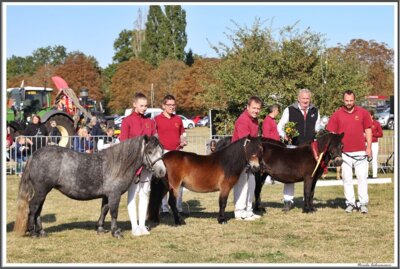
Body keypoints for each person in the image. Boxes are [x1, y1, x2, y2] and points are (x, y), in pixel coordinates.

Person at [326, 90, 372, 214]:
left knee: (362, 178)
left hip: (361, 152)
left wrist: (369, 148)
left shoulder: (363, 113)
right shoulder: (337, 114)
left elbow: (368, 130)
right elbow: (332, 134)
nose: (349, 103)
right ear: (343, 100)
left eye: (351, 100)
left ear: (354, 100)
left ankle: (363, 204)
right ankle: (350, 203)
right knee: (347, 179)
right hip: (344, 154)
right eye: (346, 100)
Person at [277, 89, 321, 211]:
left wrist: (318, 131)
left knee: (310, 176)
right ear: (298, 99)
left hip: (309, 150)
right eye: (303, 98)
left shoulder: (315, 111)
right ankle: (287, 201)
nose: (305, 101)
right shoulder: (289, 110)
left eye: (307, 98)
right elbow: (280, 126)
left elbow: (318, 127)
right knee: (290, 176)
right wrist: (284, 135)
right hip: (293, 148)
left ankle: (307, 201)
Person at [120, 92, 156, 236]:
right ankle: (134, 226)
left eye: (146, 106)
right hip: (133, 163)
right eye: (141, 105)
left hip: (147, 164)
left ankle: (142, 225)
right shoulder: (127, 121)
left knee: (144, 193)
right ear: (134, 104)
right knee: (133, 194)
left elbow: (154, 141)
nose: (144, 108)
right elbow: (124, 143)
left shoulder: (150, 122)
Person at [155, 94, 187, 217]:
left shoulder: (178, 119)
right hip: (163, 154)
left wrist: (183, 140)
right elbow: (154, 136)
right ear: (163, 106)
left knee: (179, 181)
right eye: (169, 105)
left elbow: (182, 133)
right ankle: (164, 208)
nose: (172, 107)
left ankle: (178, 207)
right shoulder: (156, 120)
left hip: (177, 153)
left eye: (173, 105)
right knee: (164, 180)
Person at [232, 96, 263, 221]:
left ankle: (248, 210)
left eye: (258, 108)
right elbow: (246, 142)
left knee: (251, 184)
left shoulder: (254, 120)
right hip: (240, 157)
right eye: (254, 108)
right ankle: (240, 212)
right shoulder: (243, 120)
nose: (256, 111)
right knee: (241, 184)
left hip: (250, 157)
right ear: (248, 107)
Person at [262, 104, 281, 184]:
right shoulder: (267, 120)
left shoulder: (272, 120)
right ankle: (267, 177)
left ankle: (272, 178)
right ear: (274, 110)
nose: (278, 112)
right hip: (271, 147)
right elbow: (266, 135)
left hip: (275, 146)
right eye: (278, 111)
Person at [369, 109, 383, 178]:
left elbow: (381, 134)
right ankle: (365, 175)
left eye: (369, 115)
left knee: (374, 159)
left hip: (374, 144)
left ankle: (375, 175)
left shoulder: (376, 123)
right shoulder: (363, 123)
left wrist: (373, 134)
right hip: (366, 143)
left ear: (372, 116)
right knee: (365, 160)